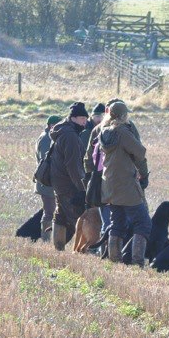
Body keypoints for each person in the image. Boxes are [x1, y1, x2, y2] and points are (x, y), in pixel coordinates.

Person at [99, 101, 152, 266]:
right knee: (143, 222)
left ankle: (114, 261)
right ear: (123, 116)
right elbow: (140, 152)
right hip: (126, 185)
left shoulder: (104, 132)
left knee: (117, 223)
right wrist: (143, 175)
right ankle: (137, 263)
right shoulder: (122, 131)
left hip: (110, 184)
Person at [49, 102, 89, 250]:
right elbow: (73, 165)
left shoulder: (63, 129)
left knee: (60, 215)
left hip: (58, 180)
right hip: (68, 182)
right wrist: (81, 188)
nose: (84, 121)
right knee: (78, 216)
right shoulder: (70, 136)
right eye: (81, 118)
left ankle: (58, 248)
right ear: (73, 118)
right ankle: (85, 248)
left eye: (86, 118)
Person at [35, 115, 62, 243]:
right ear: (52, 126)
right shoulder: (46, 139)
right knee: (49, 212)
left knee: (51, 211)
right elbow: (46, 161)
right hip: (46, 182)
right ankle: (45, 240)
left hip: (50, 181)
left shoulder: (48, 137)